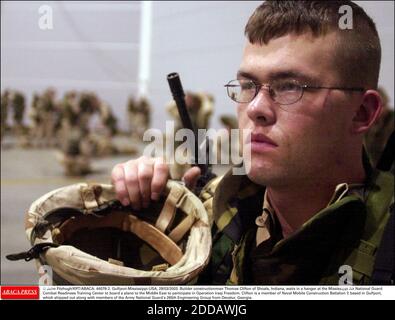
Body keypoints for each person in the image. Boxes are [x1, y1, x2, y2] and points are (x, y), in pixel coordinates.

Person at [111, 1, 394, 285]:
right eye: (248, 85)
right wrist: (140, 206)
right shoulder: (209, 212)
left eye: (290, 87)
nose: (255, 108)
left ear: (361, 113)